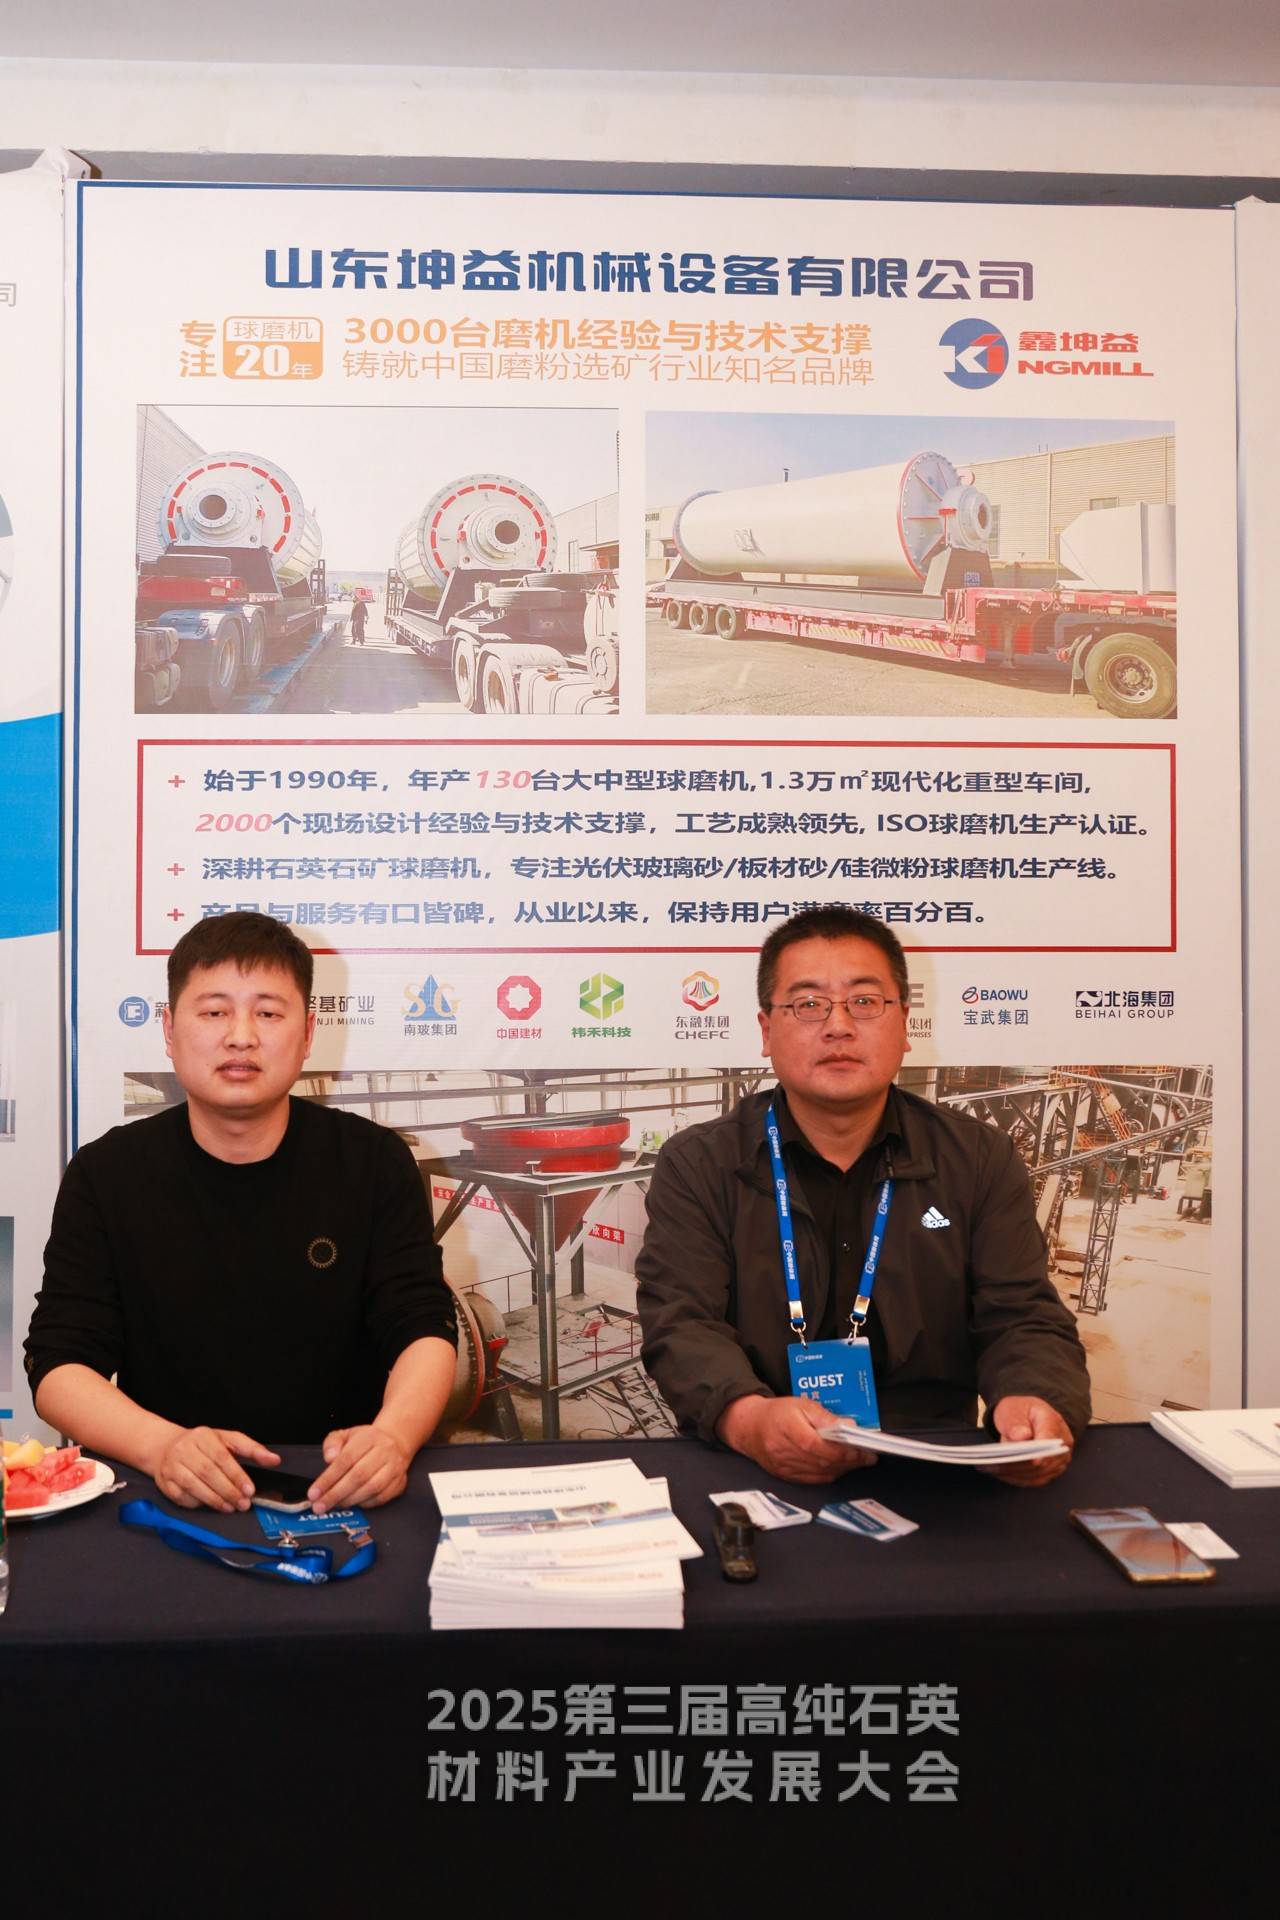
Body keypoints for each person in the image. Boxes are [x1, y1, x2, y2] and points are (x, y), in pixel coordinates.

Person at [636, 906, 1090, 1487]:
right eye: (808, 1004)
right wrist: (748, 1420)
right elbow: (682, 1323)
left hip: (934, 1467)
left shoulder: (978, 1158)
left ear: (905, 1024)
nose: (839, 1026)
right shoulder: (700, 1163)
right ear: (766, 1031)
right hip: (753, 1459)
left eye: (865, 1001)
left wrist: (1034, 1398)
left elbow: (1022, 1316)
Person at [26, 913, 457, 1515]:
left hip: (341, 1484)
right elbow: (59, 1362)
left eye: (269, 1013)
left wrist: (393, 1439)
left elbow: (423, 1327)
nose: (241, 1037)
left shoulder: (373, 1161)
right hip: (167, 1488)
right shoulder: (107, 1174)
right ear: (169, 1030)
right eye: (214, 1012)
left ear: (308, 1033)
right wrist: (161, 1447)